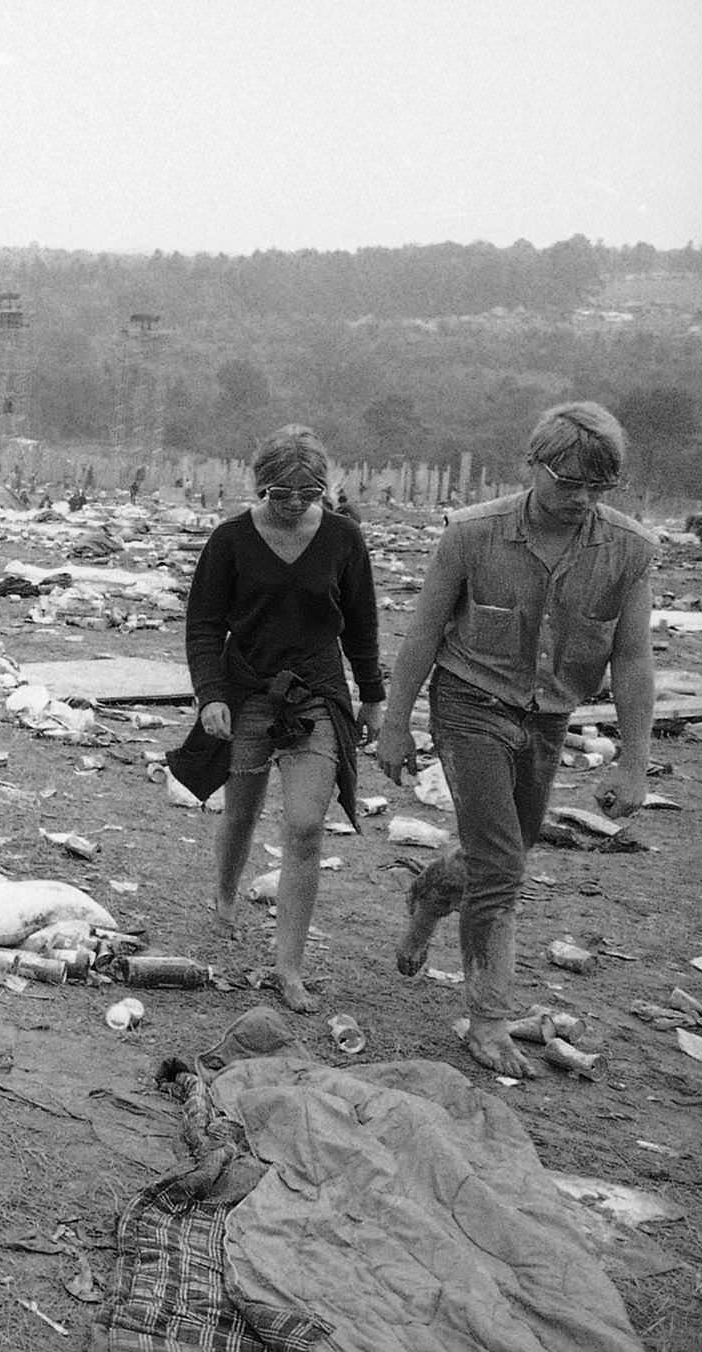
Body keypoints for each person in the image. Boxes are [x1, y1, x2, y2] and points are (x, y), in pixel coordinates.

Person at [375, 402, 654, 1079]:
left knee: (498, 852)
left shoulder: (629, 551)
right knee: (504, 866)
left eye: (597, 489)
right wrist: (395, 721)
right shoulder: (472, 535)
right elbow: (422, 633)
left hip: (549, 716)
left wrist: (635, 762)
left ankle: (428, 900)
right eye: (567, 484)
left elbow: (634, 659)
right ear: (532, 466)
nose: (580, 501)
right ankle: (489, 1016)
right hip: (470, 704)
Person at [185, 425, 385, 1014]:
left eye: (310, 493)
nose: (296, 504)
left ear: (326, 488)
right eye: (282, 493)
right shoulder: (230, 541)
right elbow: (202, 626)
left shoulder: (345, 539)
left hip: (317, 692)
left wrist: (372, 696)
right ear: (260, 486)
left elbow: (362, 624)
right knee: (242, 808)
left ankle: (288, 967)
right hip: (247, 687)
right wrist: (210, 695)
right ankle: (225, 894)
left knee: (304, 826)